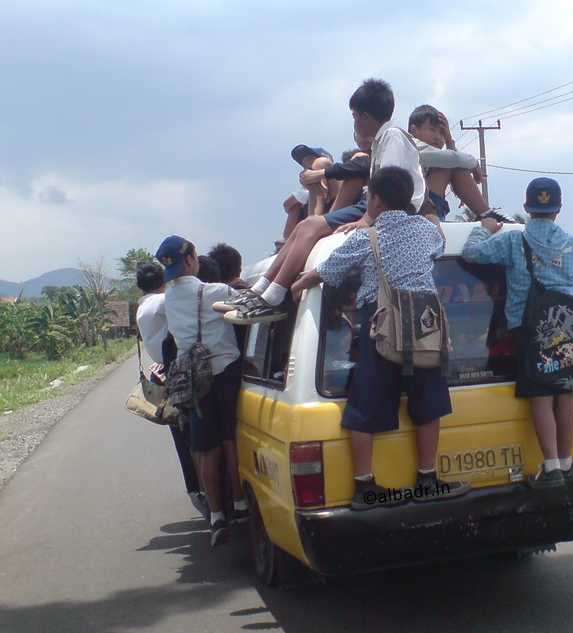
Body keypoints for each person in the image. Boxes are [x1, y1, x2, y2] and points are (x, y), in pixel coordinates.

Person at [291, 166, 470, 510]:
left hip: (380, 327)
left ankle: (365, 487)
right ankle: (427, 478)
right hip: (424, 327)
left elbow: (326, 272)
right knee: (429, 404)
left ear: (374, 199)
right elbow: (436, 246)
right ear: (409, 199)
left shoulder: (363, 238)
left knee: (365, 406)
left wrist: (295, 286)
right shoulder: (427, 231)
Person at [217, 78, 426, 325]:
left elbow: (389, 184)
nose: (355, 122)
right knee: (306, 227)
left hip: (390, 208)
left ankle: (272, 297)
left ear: (364, 116)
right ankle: (260, 290)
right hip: (377, 205)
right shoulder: (383, 139)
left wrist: (367, 219)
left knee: (309, 226)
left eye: (355, 115)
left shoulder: (392, 137)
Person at [461, 177, 573, 487]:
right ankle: (567, 462)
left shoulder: (512, 241)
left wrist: (483, 226)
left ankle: (550, 466)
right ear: (558, 209)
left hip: (528, 327)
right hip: (568, 327)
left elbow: (473, 253)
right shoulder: (572, 244)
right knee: (565, 392)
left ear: (527, 207)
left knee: (539, 394)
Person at [155, 236, 249, 547]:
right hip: (225, 372)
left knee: (206, 448)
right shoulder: (217, 291)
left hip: (193, 380)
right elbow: (251, 305)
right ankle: (239, 501)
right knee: (230, 438)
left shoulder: (169, 299)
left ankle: (217, 516)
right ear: (191, 259)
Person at [134, 263, 207, 520]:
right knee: (195, 433)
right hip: (179, 373)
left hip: (162, 374)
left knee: (181, 435)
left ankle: (195, 488)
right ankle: (205, 488)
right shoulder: (163, 302)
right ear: (163, 280)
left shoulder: (143, 307)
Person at [408, 104, 515, 223]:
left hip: (426, 209)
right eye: (432, 130)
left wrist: (449, 140)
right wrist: (473, 163)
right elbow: (451, 159)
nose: (438, 138)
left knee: (452, 164)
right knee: (451, 164)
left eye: (442, 133)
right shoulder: (410, 145)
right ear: (414, 130)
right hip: (414, 212)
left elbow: (452, 160)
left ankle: (485, 213)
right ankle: (486, 214)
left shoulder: (434, 158)